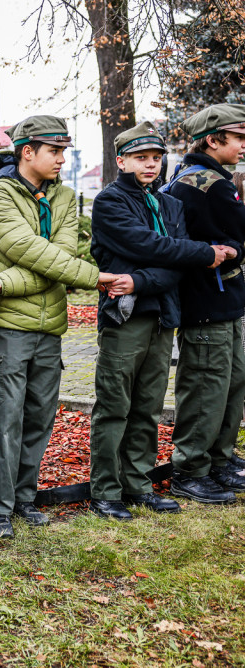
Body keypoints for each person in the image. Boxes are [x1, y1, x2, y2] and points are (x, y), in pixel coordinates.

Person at [0, 115, 117, 539]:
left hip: (51, 327)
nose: (61, 159)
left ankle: (23, 498)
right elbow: (30, 250)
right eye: (54, 151)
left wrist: (5, 282)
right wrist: (89, 276)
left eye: (63, 151)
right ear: (27, 151)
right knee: (4, 419)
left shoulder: (65, 196)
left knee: (38, 416)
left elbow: (54, 258)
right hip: (9, 327)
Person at [87, 123, 233, 520]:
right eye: (140, 158)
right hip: (126, 318)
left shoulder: (171, 205)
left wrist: (138, 278)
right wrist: (200, 253)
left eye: (155, 158)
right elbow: (147, 245)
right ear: (121, 160)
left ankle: (138, 485)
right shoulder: (109, 202)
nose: (150, 164)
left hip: (163, 313)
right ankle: (105, 491)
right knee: (115, 404)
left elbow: (175, 263)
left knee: (148, 407)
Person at [163, 104, 245, 503]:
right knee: (205, 387)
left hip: (226, 297)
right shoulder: (201, 184)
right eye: (238, 138)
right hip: (206, 300)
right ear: (213, 140)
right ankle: (190, 469)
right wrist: (233, 249)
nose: (244, 145)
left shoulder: (216, 180)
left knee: (231, 382)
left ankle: (220, 459)